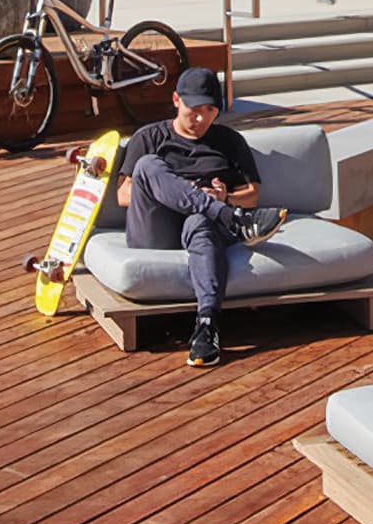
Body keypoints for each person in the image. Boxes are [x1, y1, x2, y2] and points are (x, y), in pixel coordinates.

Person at [116, 68, 287, 368]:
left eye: (210, 111)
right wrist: (182, 193)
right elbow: (124, 195)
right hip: (156, 227)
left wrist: (224, 199)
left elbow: (252, 195)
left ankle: (207, 326)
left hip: (201, 226)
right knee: (148, 165)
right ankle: (232, 219)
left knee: (200, 221)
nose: (201, 119)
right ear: (176, 101)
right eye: (194, 111)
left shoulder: (229, 140)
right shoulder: (149, 137)